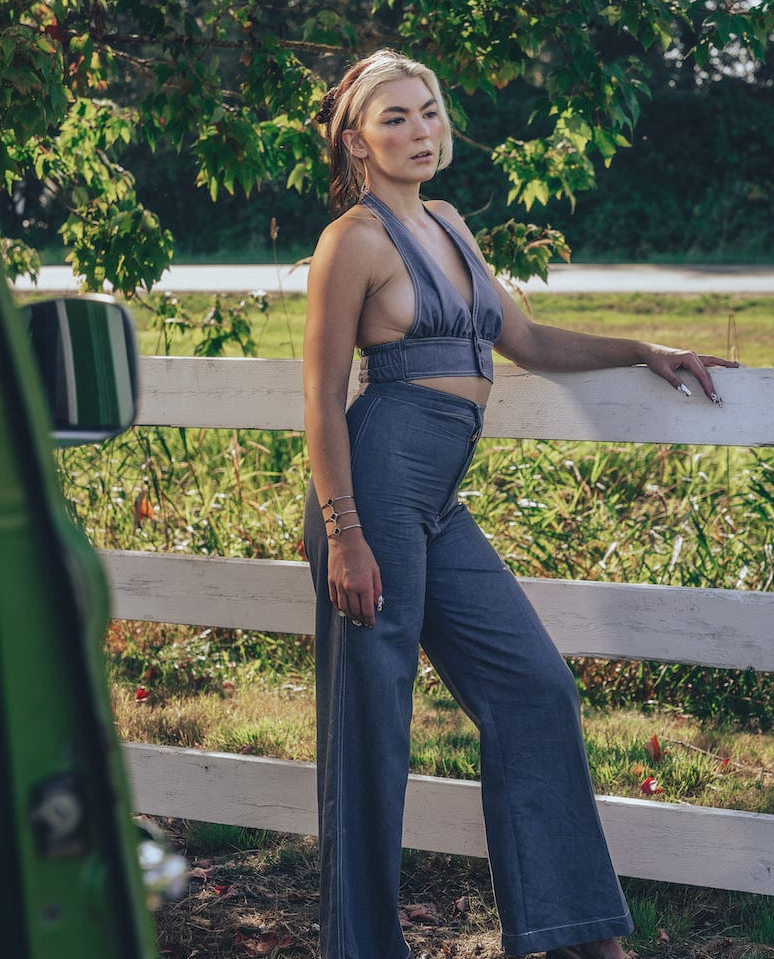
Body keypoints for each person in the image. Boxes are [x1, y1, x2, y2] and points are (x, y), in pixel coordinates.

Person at [301, 49, 736, 959]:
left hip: (437, 501)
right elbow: (320, 392)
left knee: (535, 690)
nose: (420, 131)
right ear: (356, 139)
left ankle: (577, 932)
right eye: (395, 119)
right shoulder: (354, 241)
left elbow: (526, 337)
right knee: (373, 733)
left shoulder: (451, 224)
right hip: (373, 493)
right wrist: (344, 531)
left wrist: (641, 349)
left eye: (428, 112)